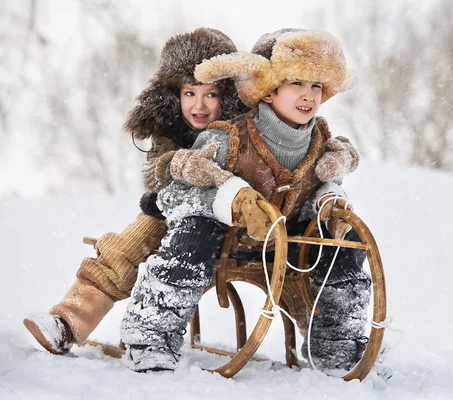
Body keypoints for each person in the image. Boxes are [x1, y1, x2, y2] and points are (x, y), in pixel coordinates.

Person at [121, 28, 371, 373]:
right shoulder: (228, 138)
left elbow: (322, 186)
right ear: (267, 91)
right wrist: (232, 201)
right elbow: (176, 195)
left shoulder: (320, 143)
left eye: (316, 87)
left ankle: (338, 349)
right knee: (195, 230)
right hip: (224, 240)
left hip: (283, 245)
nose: (307, 96)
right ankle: (151, 336)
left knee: (347, 240)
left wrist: (331, 204)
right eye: (296, 84)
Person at [22, 27, 248, 355]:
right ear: (175, 95)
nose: (198, 105)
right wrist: (176, 165)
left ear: (226, 97)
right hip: (175, 214)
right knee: (126, 244)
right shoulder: (171, 130)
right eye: (189, 93)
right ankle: (68, 322)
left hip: (226, 220)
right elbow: (155, 171)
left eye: (210, 94)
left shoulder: (241, 132)